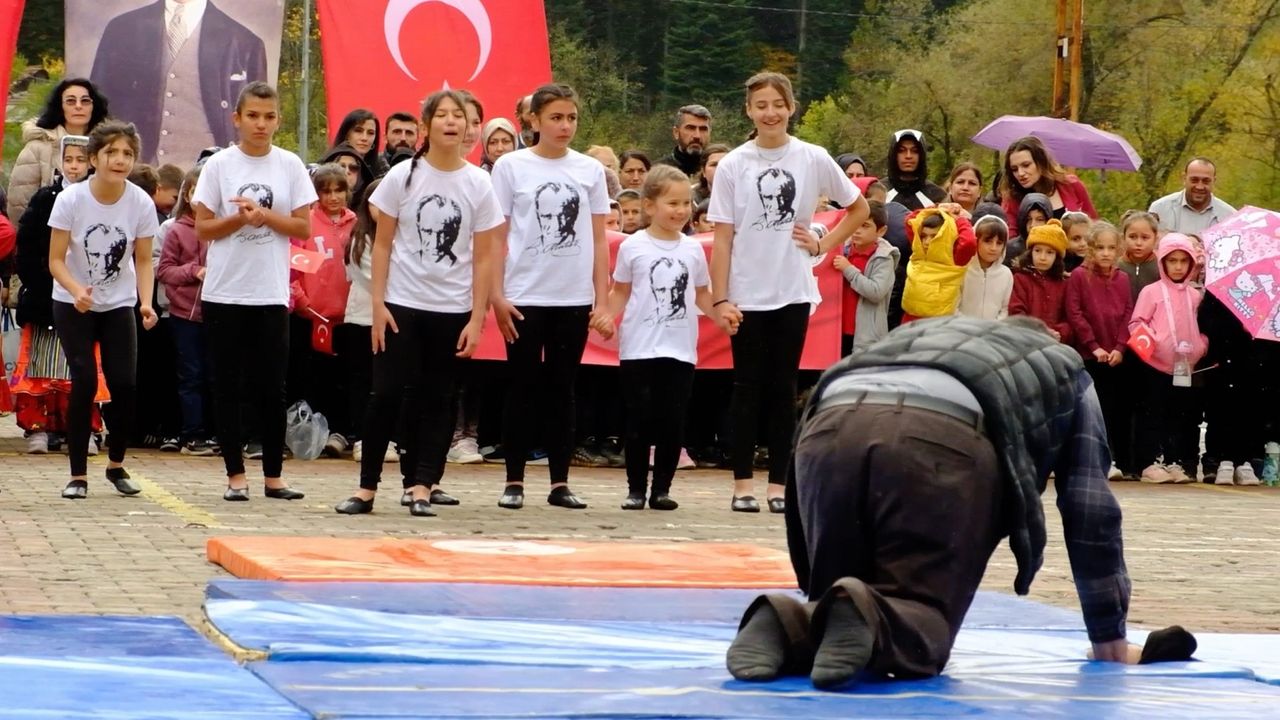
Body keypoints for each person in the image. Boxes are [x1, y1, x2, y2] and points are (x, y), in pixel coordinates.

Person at [725, 315, 1132, 688]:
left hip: (826, 429)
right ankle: (859, 614)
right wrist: (1108, 635)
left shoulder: (924, 333)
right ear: (1050, 338)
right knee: (921, 619)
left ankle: (788, 622)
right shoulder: (1064, 366)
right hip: (938, 435)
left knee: (833, 601)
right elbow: (1089, 507)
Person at [333, 89, 501, 517]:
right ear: (426, 127)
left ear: (468, 127)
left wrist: (477, 317)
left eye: (458, 116)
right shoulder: (402, 176)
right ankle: (366, 487)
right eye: (441, 115)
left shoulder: (479, 182)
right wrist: (378, 304)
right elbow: (383, 244)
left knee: (438, 398)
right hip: (401, 304)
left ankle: (423, 485)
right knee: (385, 394)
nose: (450, 122)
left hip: (452, 308)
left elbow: (484, 255)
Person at [709, 71, 869, 514]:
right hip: (746, 292)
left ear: (791, 106)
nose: (769, 113)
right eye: (760, 105)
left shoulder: (812, 157)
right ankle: (742, 483)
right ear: (748, 111)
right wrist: (721, 298)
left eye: (777, 104)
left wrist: (823, 244)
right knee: (746, 387)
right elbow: (722, 237)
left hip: (793, 289)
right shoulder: (733, 164)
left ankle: (779, 485)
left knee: (783, 389)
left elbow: (857, 209)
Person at [489, 83, 611, 511]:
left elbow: (598, 237)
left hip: (572, 296)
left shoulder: (589, 171)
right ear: (534, 121)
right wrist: (496, 295)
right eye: (556, 117)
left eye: (571, 118)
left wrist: (603, 298)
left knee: (563, 389)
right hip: (524, 294)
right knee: (521, 387)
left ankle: (560, 482)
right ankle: (515, 479)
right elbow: (497, 236)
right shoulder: (511, 167)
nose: (564, 126)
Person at [192, 81, 314, 502]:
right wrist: (239, 221)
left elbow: (303, 227)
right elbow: (203, 227)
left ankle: (274, 477)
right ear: (237, 119)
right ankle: (234, 476)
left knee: (272, 386)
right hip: (225, 291)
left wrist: (264, 216)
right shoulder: (220, 166)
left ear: (278, 119)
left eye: (269, 116)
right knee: (227, 385)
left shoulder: (290, 165)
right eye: (253, 116)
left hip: (270, 293)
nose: (261, 124)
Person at [47, 121, 160, 499]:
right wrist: (77, 290)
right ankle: (77, 474)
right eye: (112, 152)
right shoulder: (71, 200)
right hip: (72, 302)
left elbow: (143, 260)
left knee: (125, 383)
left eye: (127, 153)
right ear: (94, 158)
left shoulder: (140, 202)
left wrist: (146, 302)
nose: (120, 160)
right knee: (84, 382)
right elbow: (55, 260)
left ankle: (116, 465)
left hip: (119, 304)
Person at [592, 165, 712, 510]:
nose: (680, 210)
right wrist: (605, 315)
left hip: (680, 349)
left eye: (686, 203)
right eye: (672, 203)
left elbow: (702, 293)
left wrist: (722, 312)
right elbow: (621, 291)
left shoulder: (692, 250)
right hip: (639, 347)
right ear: (649, 206)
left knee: (672, 421)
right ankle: (635, 489)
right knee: (638, 420)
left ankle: (662, 488)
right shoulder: (634, 247)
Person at [11, 136, 106, 456]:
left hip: (86, 293)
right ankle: (38, 428)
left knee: (80, 367)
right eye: (69, 160)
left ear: (91, 161)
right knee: (41, 366)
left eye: (81, 160)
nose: (74, 166)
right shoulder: (44, 198)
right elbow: (26, 245)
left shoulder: (101, 198)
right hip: (44, 295)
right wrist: (39, 284)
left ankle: (82, 429)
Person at [90, 0, 267, 165]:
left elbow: (259, 120)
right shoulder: (122, 30)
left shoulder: (246, 43)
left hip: (210, 175)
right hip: (135, 173)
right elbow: (97, 109)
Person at [1128, 233, 1207, 484]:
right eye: (1172, 261)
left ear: (1191, 264)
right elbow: (1136, 322)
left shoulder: (1195, 295)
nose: (1178, 266)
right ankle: (1150, 461)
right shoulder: (1152, 292)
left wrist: (1200, 346)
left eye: (1184, 261)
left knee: (1179, 414)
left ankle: (1174, 460)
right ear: (1162, 262)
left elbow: (1200, 327)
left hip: (1184, 367)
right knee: (1153, 413)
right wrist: (1152, 342)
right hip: (1154, 365)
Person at [288, 164, 355, 456]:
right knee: (314, 377)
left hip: (349, 317)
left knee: (346, 378)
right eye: (325, 191)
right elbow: (296, 267)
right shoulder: (309, 223)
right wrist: (302, 301)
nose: (333, 197)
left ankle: (341, 432)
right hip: (312, 316)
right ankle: (312, 433)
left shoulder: (357, 224)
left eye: (338, 190)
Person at [156, 165, 217, 456]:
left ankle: (216, 433)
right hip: (185, 316)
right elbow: (164, 270)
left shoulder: (225, 228)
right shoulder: (176, 230)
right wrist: (195, 271)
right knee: (190, 375)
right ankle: (192, 435)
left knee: (216, 374)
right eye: (195, 190)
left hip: (220, 313)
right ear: (187, 194)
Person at [1065, 221, 1133, 479]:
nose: (1105, 253)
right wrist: (1094, 346)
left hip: (1115, 356)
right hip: (1090, 355)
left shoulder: (1123, 278)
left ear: (1118, 250)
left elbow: (1128, 312)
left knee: (1113, 409)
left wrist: (1119, 347)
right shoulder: (1079, 276)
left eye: (1111, 248)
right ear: (1090, 249)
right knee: (1092, 409)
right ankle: (1090, 459)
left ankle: (1112, 458)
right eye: (1100, 247)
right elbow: (1075, 312)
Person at [8, 79, 110, 220]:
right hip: (48, 235)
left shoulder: (108, 146)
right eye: (70, 101)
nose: (78, 106)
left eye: (85, 101)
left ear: (94, 106)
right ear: (60, 107)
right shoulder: (38, 147)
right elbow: (19, 205)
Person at [832, 200, 898, 355]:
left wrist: (848, 269)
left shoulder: (884, 258)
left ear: (881, 231)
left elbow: (876, 292)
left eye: (865, 225)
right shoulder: (842, 250)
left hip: (865, 336)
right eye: (855, 223)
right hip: (836, 331)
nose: (857, 230)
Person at [1000, 136, 1097, 227]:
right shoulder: (1011, 199)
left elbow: (1094, 226)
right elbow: (1010, 238)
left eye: (1026, 165)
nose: (1020, 173)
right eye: (1014, 169)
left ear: (1041, 162)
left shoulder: (1071, 185)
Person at [899, 206, 975, 323]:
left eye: (934, 236)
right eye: (924, 236)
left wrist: (959, 220)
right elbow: (911, 220)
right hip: (908, 318)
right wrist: (938, 208)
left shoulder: (954, 258)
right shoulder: (918, 251)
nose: (927, 241)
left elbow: (969, 243)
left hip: (936, 323)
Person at [1008, 220, 1072, 344]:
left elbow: (1070, 316)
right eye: (1038, 250)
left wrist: (1059, 332)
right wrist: (1039, 331)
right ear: (1030, 252)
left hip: (1056, 344)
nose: (1042, 257)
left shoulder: (1064, 283)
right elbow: (1016, 312)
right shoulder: (1020, 279)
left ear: (1057, 257)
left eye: (1049, 252)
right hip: (1026, 342)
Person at [1148, 158, 1236, 236]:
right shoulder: (1159, 209)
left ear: (1214, 181)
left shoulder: (1230, 216)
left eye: (1206, 181)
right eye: (1194, 180)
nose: (1199, 186)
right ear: (1184, 178)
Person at [955, 214, 1012, 321]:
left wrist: (991, 330)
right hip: (961, 332)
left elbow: (1005, 309)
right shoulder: (962, 270)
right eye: (988, 241)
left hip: (992, 334)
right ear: (976, 241)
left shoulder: (1006, 274)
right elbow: (953, 306)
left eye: (999, 243)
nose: (993, 248)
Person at [883, 129, 945, 210]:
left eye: (914, 151)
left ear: (922, 155)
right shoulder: (879, 190)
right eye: (901, 151)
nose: (908, 156)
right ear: (893, 155)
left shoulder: (937, 195)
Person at [656, 104, 712, 178]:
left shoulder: (718, 169)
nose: (697, 136)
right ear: (676, 132)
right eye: (690, 128)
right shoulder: (658, 172)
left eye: (703, 129)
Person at [1116, 210, 1161, 302]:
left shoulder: (1161, 267)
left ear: (1155, 239)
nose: (1138, 243)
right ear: (1123, 238)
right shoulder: (1116, 267)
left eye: (1145, 237)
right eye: (1132, 237)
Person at [333, 109, 389, 178]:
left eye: (370, 133)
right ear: (346, 134)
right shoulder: (329, 164)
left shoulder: (380, 164)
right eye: (358, 131)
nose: (364, 138)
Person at [319, 142, 373, 211]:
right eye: (341, 167)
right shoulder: (314, 206)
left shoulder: (369, 206)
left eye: (353, 167)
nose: (347, 171)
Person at [1004, 192, 1052, 268]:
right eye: (1028, 219)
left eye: (1039, 219)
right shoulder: (1011, 249)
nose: (1033, 225)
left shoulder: (1055, 246)